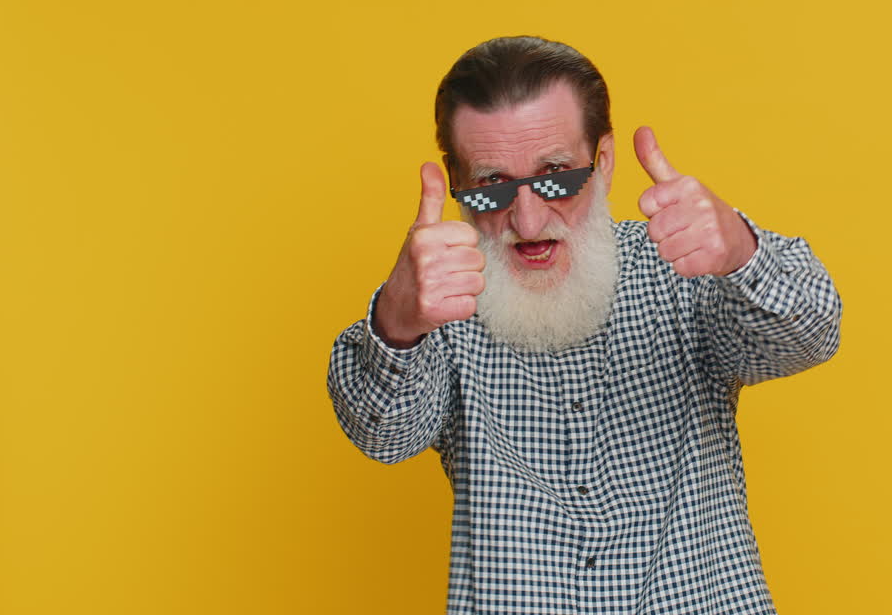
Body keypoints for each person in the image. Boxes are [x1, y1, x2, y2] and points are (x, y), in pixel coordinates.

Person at [327, 36, 842, 614]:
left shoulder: (681, 266)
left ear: (603, 163)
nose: (526, 219)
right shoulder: (441, 305)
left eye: (555, 176)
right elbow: (384, 435)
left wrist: (741, 251)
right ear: (458, 185)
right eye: (492, 184)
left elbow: (812, 334)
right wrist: (397, 319)